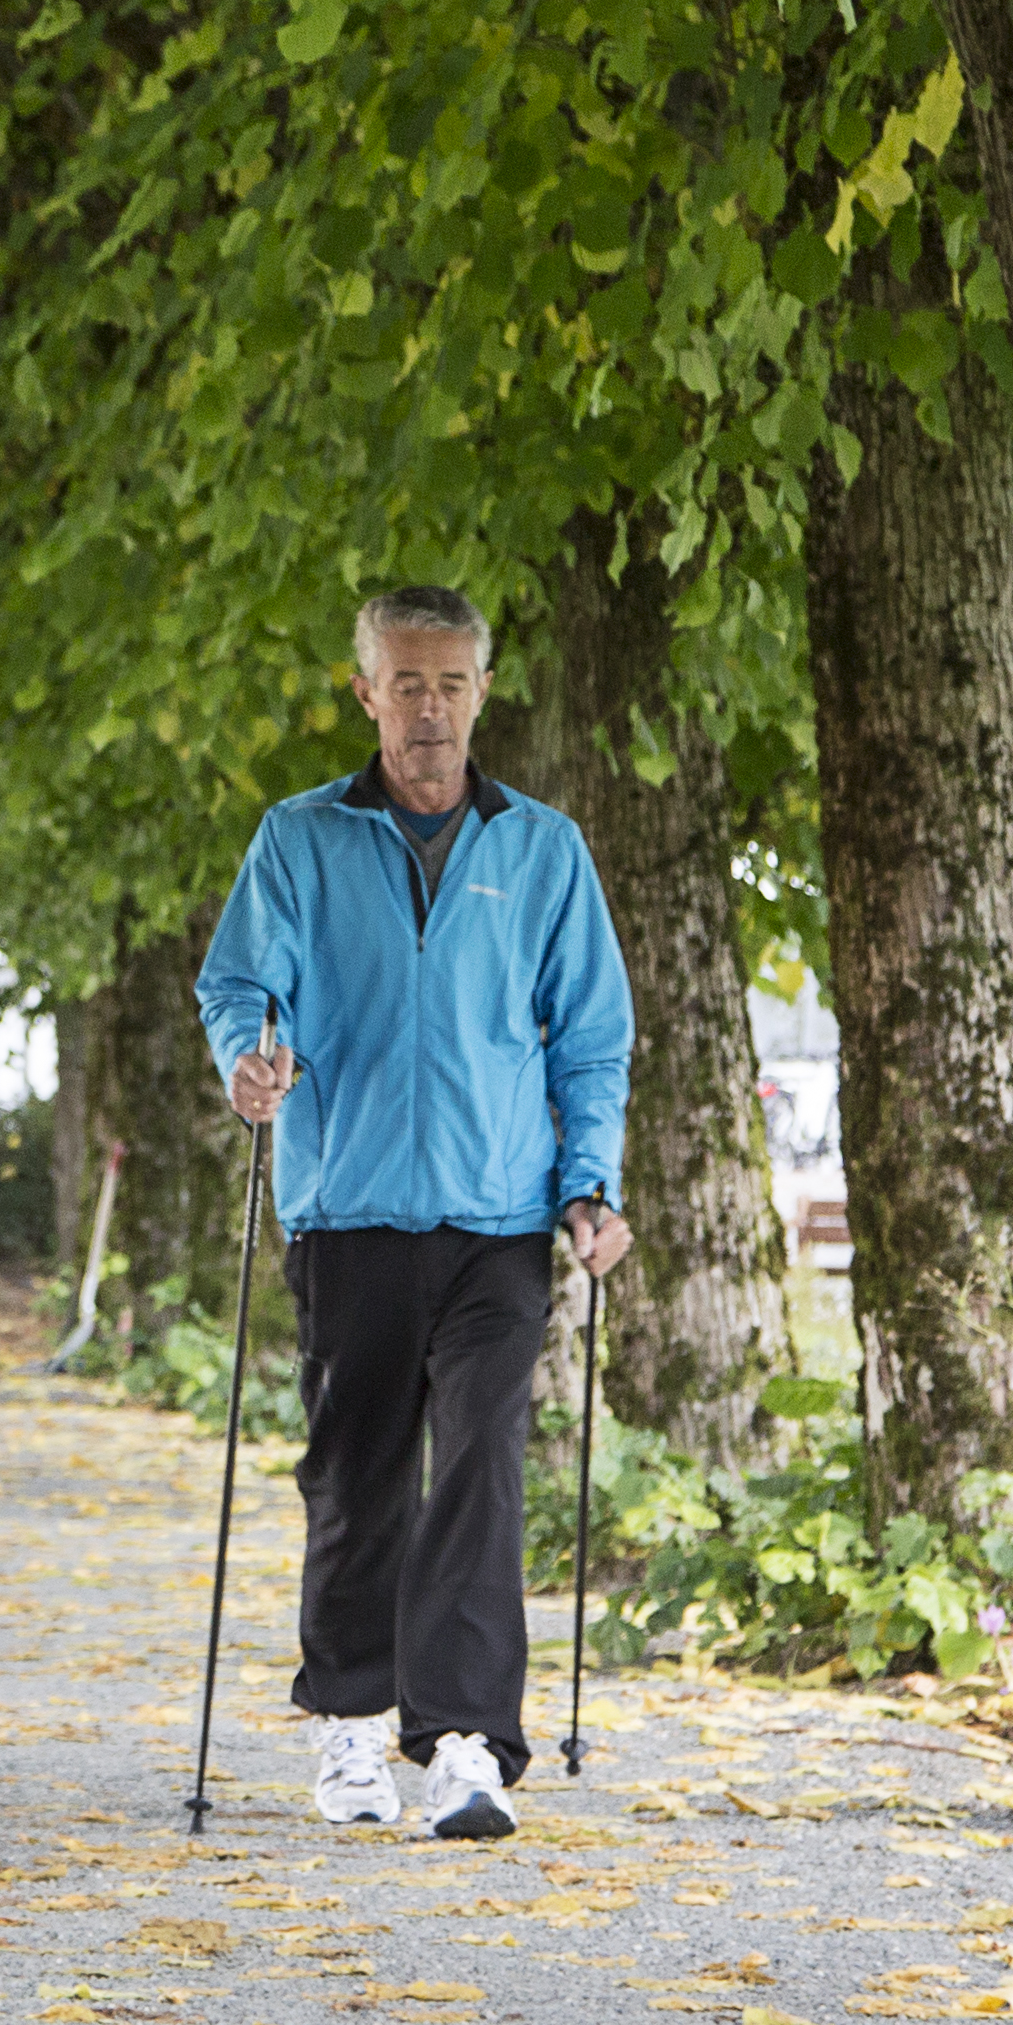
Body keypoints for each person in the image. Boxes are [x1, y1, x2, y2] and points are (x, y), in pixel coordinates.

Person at [197, 583, 633, 1844]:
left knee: (482, 1469)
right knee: (357, 1475)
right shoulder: (300, 837)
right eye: (406, 681)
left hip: (500, 1215)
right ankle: (347, 1720)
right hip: (349, 1208)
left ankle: (464, 1743)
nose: (429, 705)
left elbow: (591, 1039)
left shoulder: (543, 848)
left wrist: (588, 1183)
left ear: (483, 690)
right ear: (366, 691)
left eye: (451, 681)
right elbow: (239, 981)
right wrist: (250, 1059)